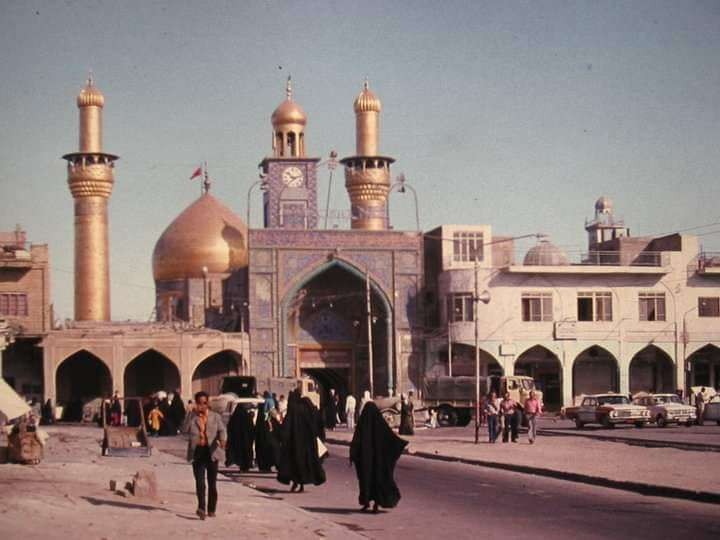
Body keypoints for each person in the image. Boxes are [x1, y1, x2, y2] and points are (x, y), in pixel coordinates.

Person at [350, 401, 408, 513]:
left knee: (366, 481)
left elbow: (356, 441)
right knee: (377, 479)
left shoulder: (363, 423)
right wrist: (400, 444)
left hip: (365, 460)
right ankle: (376, 504)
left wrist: (353, 455)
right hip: (377, 461)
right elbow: (389, 437)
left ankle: (366, 502)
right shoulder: (379, 424)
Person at [183, 391, 227, 520]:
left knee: (212, 483)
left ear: (208, 403)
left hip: (211, 452)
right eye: (200, 403)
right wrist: (190, 413)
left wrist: (223, 440)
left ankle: (211, 509)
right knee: (200, 482)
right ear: (196, 403)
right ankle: (201, 508)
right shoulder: (193, 417)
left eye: (205, 403)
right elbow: (184, 429)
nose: (203, 405)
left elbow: (222, 430)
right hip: (197, 452)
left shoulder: (215, 417)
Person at [276, 389, 326, 492]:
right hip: (307, 442)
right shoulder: (307, 408)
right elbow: (316, 422)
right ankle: (301, 484)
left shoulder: (293, 409)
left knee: (294, 463)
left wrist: (282, 436)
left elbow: (287, 425)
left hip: (294, 442)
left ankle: (295, 483)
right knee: (304, 463)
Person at [226, 404, 255, 472]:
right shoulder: (247, 417)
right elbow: (251, 428)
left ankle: (242, 466)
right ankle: (246, 466)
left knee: (240, 453)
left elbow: (230, 428)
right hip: (247, 439)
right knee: (246, 452)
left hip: (237, 440)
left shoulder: (235, 417)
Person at [255, 405, 281, 472]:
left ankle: (274, 466)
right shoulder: (262, 421)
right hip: (263, 441)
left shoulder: (273, 420)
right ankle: (265, 467)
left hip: (272, 441)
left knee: (275, 452)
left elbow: (278, 429)